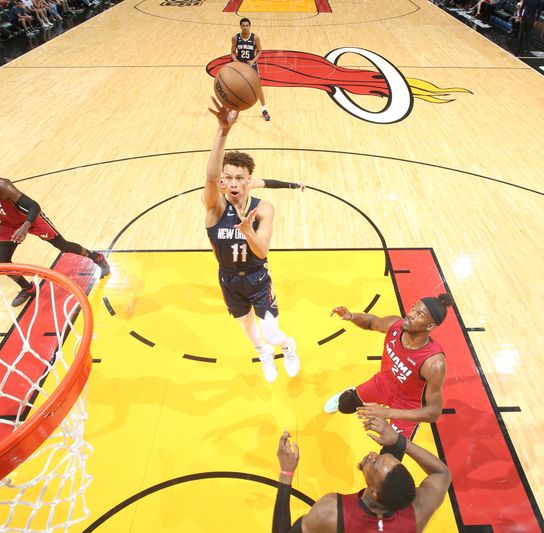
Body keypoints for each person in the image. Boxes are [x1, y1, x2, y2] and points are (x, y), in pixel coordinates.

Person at [204, 98, 298, 383]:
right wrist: (223, 131)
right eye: (227, 178)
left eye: (239, 178)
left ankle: (286, 346)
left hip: (257, 278)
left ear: (249, 180)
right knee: (247, 327)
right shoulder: (215, 208)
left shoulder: (264, 208)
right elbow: (208, 178)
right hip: (228, 278)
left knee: (271, 331)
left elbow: (262, 250)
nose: (233, 183)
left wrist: (247, 230)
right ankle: (264, 354)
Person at [0, 163, 110, 306]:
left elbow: (33, 206)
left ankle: (97, 258)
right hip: (9, 224)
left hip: (31, 219)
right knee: (2, 264)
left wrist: (25, 227)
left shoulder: (1, 185)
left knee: (64, 246)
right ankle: (28, 288)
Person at [271, 415, 451, 533]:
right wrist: (397, 440)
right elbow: (441, 474)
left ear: (373, 492)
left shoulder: (331, 511)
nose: (372, 455)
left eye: (375, 463)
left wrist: (286, 473)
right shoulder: (416, 515)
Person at [323, 295, 454, 439]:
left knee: (391, 456)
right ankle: (349, 393)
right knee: (345, 405)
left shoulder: (434, 363)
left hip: (407, 405)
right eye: (413, 308)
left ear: (430, 326)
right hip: (382, 383)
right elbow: (372, 322)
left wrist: (387, 413)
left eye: (419, 314)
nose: (410, 314)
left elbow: (433, 412)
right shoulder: (394, 325)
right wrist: (352, 316)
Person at [231, 17, 270, 121]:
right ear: (240, 27)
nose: (245, 27)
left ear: (249, 27)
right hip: (240, 66)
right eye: (243, 26)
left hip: (251, 65)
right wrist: (235, 59)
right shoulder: (235, 38)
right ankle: (234, 110)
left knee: (258, 87)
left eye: (246, 26)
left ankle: (264, 109)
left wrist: (253, 61)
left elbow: (260, 51)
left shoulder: (255, 37)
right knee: (236, 88)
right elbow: (232, 52)